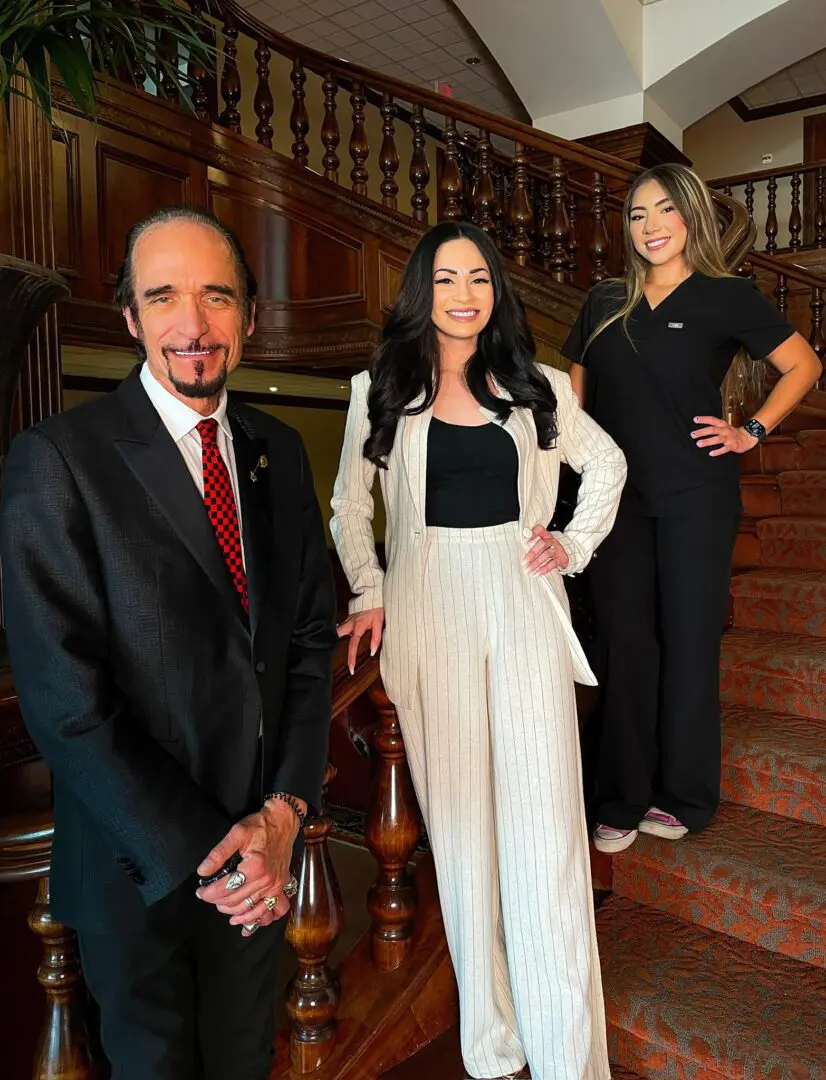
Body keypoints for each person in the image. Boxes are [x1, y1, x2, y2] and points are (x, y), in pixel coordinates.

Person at [0, 206, 337, 1080]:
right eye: (164, 298)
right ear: (130, 318)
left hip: (261, 855)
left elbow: (305, 641)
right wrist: (214, 855)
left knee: (243, 1062)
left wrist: (285, 816)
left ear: (250, 317)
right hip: (135, 867)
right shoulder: (57, 459)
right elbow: (65, 703)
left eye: (216, 296)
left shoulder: (278, 450)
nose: (193, 324)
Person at [331, 220, 626, 1080]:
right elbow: (353, 508)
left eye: (481, 280)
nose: (466, 294)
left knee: (547, 838)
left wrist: (570, 544)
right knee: (462, 838)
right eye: (449, 278)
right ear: (422, 288)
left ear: (497, 294)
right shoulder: (377, 388)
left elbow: (604, 466)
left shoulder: (533, 387)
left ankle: (570, 1057)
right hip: (429, 619)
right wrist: (370, 589)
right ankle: (493, 1045)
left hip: (521, 602)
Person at [562, 163, 823, 855]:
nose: (651, 226)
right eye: (638, 214)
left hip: (696, 496)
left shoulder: (725, 295)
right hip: (614, 500)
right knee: (624, 642)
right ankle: (620, 795)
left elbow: (804, 365)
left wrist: (752, 431)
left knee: (687, 642)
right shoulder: (604, 301)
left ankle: (684, 795)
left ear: (690, 219)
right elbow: (573, 406)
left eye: (665, 211)